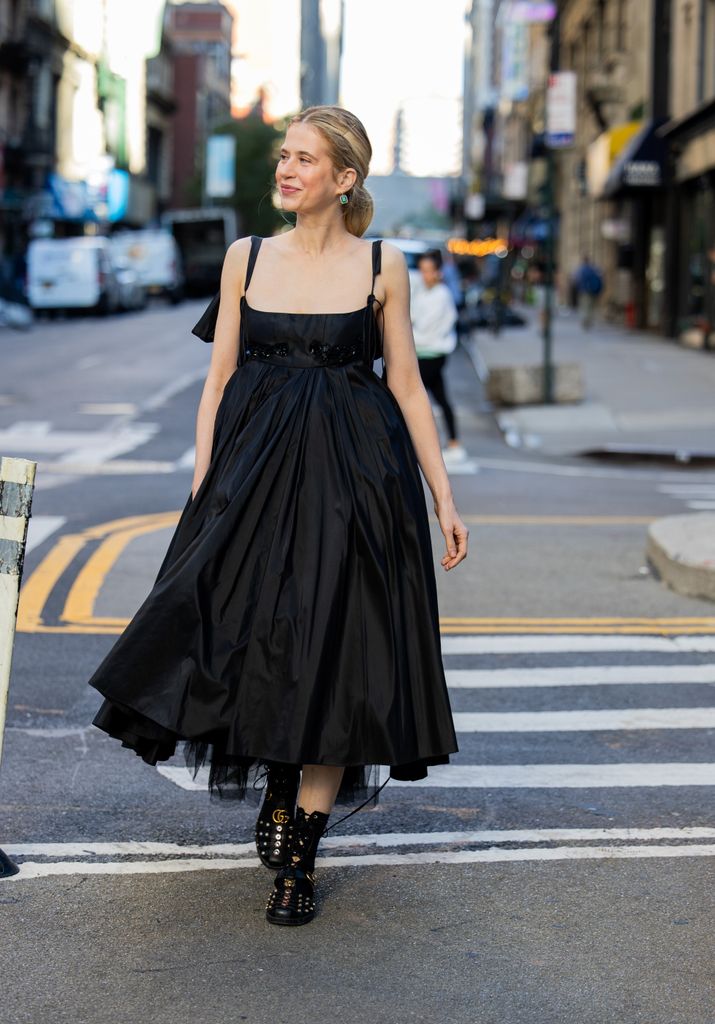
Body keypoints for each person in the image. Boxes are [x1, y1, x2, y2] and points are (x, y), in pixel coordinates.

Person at [87, 105, 467, 927]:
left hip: (360, 483)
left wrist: (441, 495)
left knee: (341, 653)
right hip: (251, 480)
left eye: (303, 159)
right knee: (247, 636)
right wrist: (204, 478)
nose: (285, 170)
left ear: (344, 178)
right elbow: (219, 379)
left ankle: (299, 855)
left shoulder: (383, 265)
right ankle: (280, 783)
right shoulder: (245, 257)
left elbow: (406, 385)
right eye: (283, 157)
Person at [410, 250, 466, 463]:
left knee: (414, 398)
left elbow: (423, 326)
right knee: (440, 397)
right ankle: (453, 441)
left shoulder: (442, 295)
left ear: (438, 272)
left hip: (432, 354)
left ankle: (425, 445)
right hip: (423, 353)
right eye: (422, 270)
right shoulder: (421, 292)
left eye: (429, 271)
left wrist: (410, 331)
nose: (425, 275)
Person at [574, 254, 603, 329]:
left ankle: (585, 321)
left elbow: (577, 280)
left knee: (585, 306)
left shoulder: (582, 269)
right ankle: (589, 320)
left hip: (584, 290)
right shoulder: (593, 268)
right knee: (591, 306)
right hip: (593, 291)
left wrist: (579, 288)